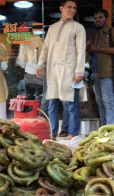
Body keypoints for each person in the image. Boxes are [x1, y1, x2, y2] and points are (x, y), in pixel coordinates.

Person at [36, 0, 86, 140]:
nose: (72, 10)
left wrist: (79, 71)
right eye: (69, 7)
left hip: (69, 70)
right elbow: (45, 48)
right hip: (53, 69)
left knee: (70, 103)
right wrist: (40, 64)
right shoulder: (52, 28)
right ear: (61, 8)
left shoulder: (78, 27)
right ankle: (53, 132)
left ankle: (72, 133)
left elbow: (81, 50)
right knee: (52, 103)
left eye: (74, 8)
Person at [87, 9, 114, 126]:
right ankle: (103, 130)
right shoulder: (97, 35)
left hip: (107, 74)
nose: (98, 20)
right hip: (96, 74)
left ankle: (110, 131)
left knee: (109, 103)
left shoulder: (113, 31)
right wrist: (89, 47)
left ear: (106, 19)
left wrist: (97, 48)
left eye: (100, 17)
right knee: (101, 104)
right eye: (96, 18)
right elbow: (94, 56)